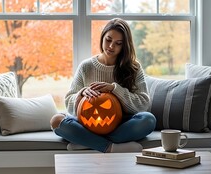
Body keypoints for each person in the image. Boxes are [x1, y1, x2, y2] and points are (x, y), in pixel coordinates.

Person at [50, 18, 156, 153]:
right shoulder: (86, 66)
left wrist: (114, 89)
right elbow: (69, 104)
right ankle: (108, 146)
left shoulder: (134, 68)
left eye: (118, 43)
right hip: (88, 123)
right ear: (102, 37)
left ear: (125, 46)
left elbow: (144, 103)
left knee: (148, 120)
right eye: (108, 40)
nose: (111, 46)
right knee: (56, 120)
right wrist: (81, 94)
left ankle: (88, 141)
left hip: (120, 124)